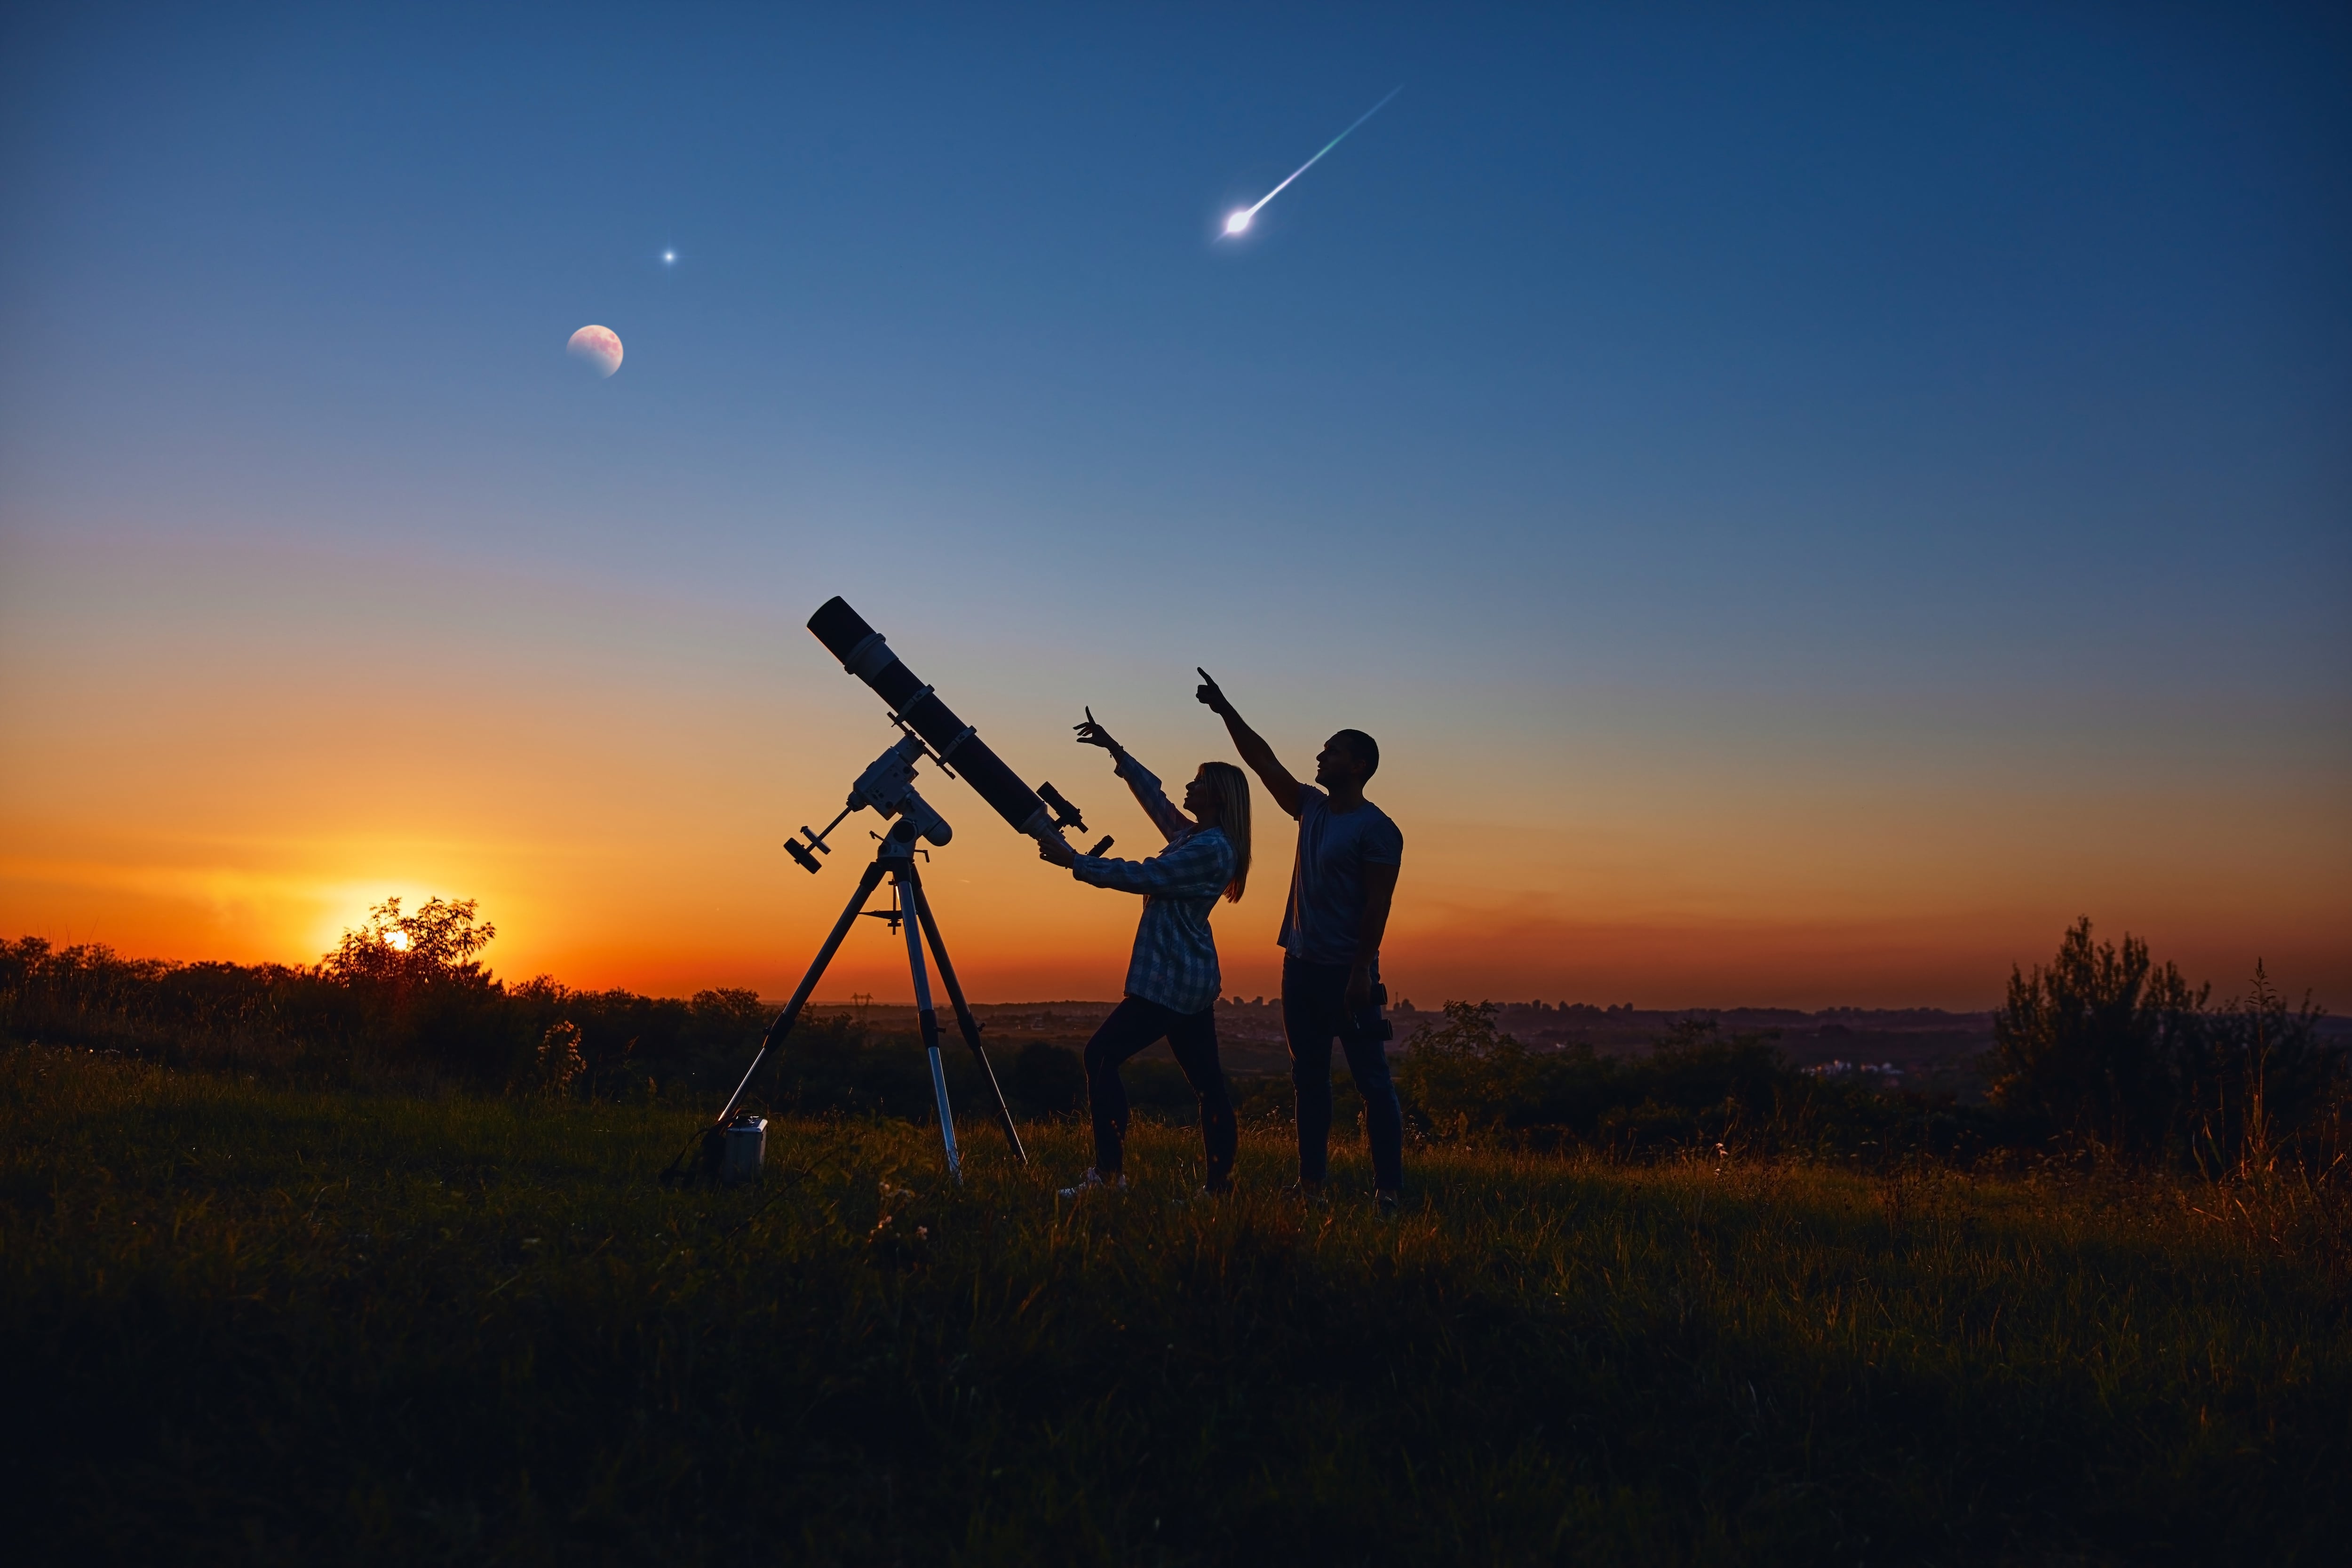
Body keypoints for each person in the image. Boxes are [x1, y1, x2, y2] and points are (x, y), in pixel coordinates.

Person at [1195, 670, 1403, 1213]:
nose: (1320, 756)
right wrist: (1224, 710)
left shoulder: (1378, 829)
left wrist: (1362, 971)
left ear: (1357, 766)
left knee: (1371, 1083)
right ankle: (1310, 1186)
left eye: (1331, 752)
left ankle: (1389, 1191)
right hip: (1300, 968)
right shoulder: (1309, 808)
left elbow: (1378, 904)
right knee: (1307, 1079)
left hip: (1346, 973)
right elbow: (1263, 762)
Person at [1034, 712, 1251, 1198]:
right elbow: (1156, 800)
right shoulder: (1193, 836)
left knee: (1101, 1056)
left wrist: (1076, 862)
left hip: (1171, 981)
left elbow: (1144, 876)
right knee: (1208, 1085)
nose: (1188, 789)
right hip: (1185, 979)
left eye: (1198, 784)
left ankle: (1109, 1178)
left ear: (1218, 795)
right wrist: (1117, 752)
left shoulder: (1212, 850)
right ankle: (1219, 1189)